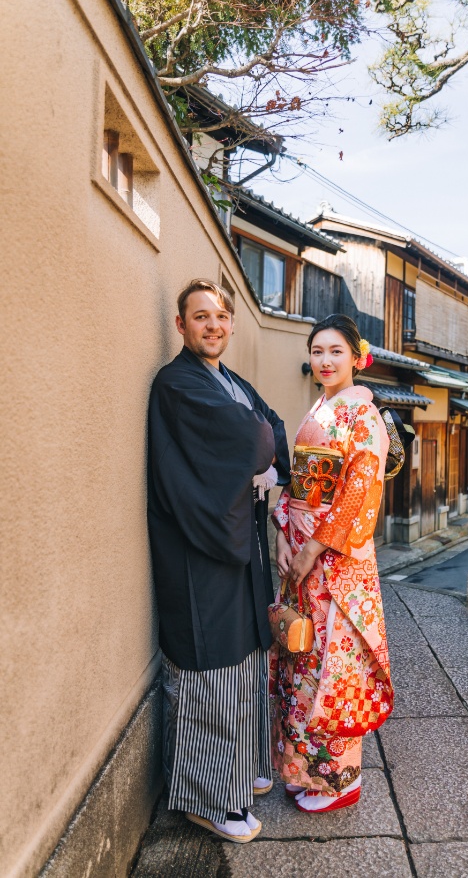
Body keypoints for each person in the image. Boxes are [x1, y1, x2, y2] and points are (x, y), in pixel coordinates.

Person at [147, 280, 290, 843]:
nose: (214, 325)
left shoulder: (229, 380)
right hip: (199, 547)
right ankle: (207, 798)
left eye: (222, 316)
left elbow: (272, 426)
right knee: (213, 668)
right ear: (180, 326)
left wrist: (267, 455)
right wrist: (262, 456)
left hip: (237, 543)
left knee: (247, 659)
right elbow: (252, 436)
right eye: (200, 316)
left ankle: (237, 774)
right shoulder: (177, 383)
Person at [271, 313, 394, 813]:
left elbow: (357, 494)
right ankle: (307, 772)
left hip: (333, 563)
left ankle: (341, 781)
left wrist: (310, 548)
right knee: (301, 660)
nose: (325, 360)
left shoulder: (362, 416)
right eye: (317, 351)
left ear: (355, 357)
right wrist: (284, 531)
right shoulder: (321, 409)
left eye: (335, 351)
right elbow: (300, 486)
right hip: (302, 555)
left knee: (332, 667)